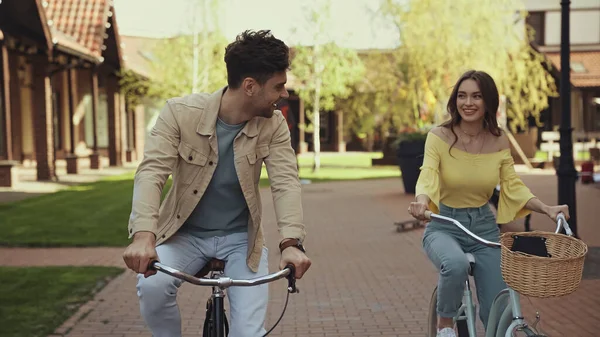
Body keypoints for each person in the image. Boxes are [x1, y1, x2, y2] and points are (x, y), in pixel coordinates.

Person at [122, 30, 311, 337]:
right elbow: (151, 172)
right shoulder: (179, 113)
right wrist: (144, 235)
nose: (285, 93)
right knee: (152, 285)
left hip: (242, 240)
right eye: (278, 86)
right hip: (184, 234)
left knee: (248, 333)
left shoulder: (274, 124)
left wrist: (291, 243)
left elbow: (286, 182)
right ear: (250, 86)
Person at [407, 70, 569, 337]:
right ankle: (445, 325)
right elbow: (428, 174)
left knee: (498, 304)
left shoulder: (499, 139)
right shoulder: (439, 136)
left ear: (488, 102)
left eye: (476, 96)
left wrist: (548, 209)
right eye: (462, 96)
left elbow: (512, 184)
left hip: (483, 227)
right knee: (456, 264)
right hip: (444, 224)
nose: (468, 103)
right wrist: (421, 202)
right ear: (455, 101)